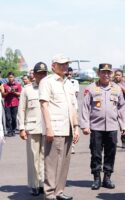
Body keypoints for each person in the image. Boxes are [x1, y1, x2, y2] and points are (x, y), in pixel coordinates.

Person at [81, 64, 125, 190]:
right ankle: (96, 178)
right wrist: (85, 125)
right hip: (96, 127)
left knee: (110, 153)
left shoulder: (117, 89)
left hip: (112, 127)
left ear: (111, 74)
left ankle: (107, 177)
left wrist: (124, 125)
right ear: (98, 73)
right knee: (96, 154)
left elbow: (122, 108)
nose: (106, 75)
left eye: (108, 72)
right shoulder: (91, 88)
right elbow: (85, 107)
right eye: (103, 72)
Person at [39, 54, 80, 200]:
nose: (64, 66)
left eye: (66, 64)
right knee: (52, 163)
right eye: (61, 64)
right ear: (53, 66)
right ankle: (49, 193)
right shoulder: (47, 81)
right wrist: (49, 128)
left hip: (68, 128)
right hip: (55, 129)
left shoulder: (68, 83)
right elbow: (44, 105)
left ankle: (59, 191)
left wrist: (76, 127)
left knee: (64, 162)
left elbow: (73, 107)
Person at [17, 62, 48, 196]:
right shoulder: (27, 89)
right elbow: (22, 109)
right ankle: (34, 184)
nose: (41, 76)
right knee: (33, 158)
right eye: (39, 73)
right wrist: (22, 128)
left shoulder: (50, 88)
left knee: (44, 158)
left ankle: (42, 184)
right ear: (34, 75)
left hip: (47, 129)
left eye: (44, 73)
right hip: (32, 127)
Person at [113, 69, 125, 149]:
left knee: (124, 125)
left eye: (119, 75)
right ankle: (113, 141)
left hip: (123, 107)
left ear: (122, 76)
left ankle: (124, 142)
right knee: (113, 125)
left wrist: (120, 86)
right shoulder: (111, 84)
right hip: (113, 106)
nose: (117, 76)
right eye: (116, 75)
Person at [2, 72, 22, 137]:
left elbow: (20, 94)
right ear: (8, 78)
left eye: (12, 77)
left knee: (14, 118)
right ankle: (9, 131)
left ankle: (13, 130)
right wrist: (8, 92)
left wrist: (14, 92)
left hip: (15, 103)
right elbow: (3, 95)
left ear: (14, 77)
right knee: (8, 118)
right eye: (9, 77)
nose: (10, 78)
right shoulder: (5, 85)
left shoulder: (18, 85)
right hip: (7, 104)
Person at [66, 67, 79, 154]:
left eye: (71, 74)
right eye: (68, 74)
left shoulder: (75, 82)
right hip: (64, 107)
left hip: (73, 106)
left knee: (73, 126)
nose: (69, 76)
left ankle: (72, 146)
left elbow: (76, 94)